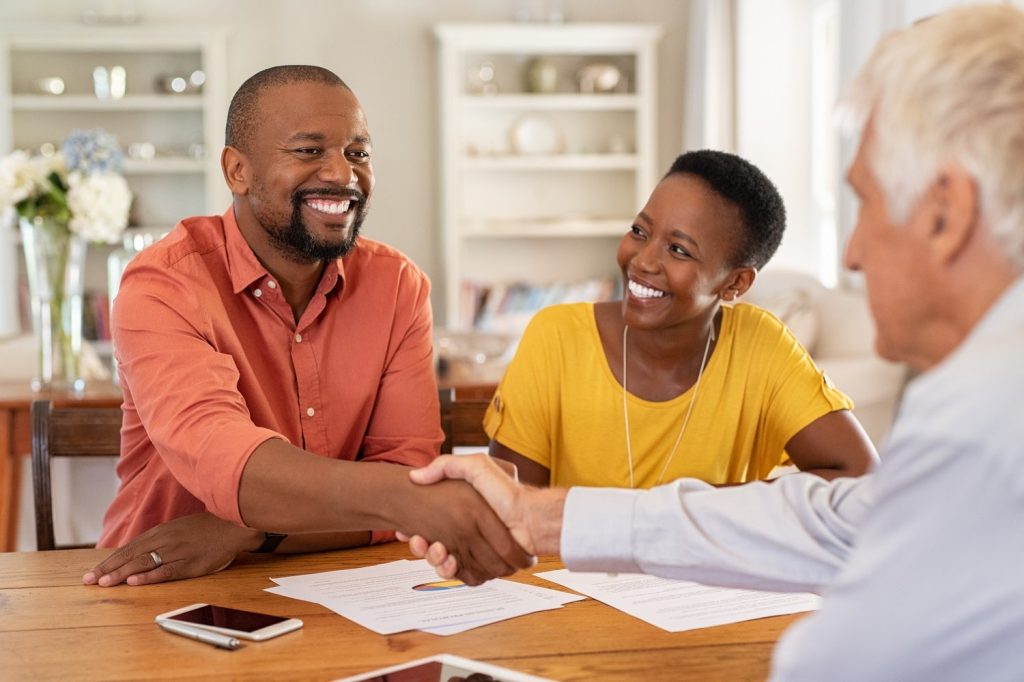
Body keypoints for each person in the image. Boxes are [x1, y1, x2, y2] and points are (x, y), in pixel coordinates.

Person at [404, 5, 1024, 679]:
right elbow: (841, 517)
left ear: (946, 213)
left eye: (867, 201)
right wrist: (540, 518)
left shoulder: (978, 423)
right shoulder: (982, 401)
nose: (849, 254)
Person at [82, 65, 531, 588]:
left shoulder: (398, 286)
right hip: (160, 584)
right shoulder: (164, 285)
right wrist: (415, 501)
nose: (342, 174)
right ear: (237, 171)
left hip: (336, 581)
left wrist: (250, 534)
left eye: (357, 153)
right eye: (308, 151)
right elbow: (232, 466)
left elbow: (405, 469)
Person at [486, 150, 876, 489]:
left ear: (735, 282)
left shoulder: (762, 345)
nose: (643, 261)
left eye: (678, 249)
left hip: (704, 577)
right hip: (568, 575)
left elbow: (860, 475)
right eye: (639, 231)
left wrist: (686, 510)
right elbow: (511, 511)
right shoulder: (557, 336)